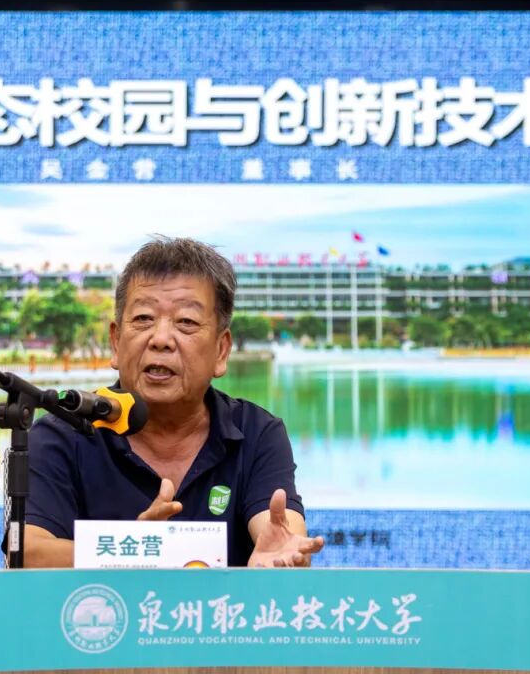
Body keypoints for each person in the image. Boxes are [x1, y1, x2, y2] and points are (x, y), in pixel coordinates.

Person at [23, 237, 323, 567]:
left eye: (186, 322)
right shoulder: (62, 436)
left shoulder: (256, 433)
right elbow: (28, 554)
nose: (161, 339)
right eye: (143, 319)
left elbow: (281, 535)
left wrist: (284, 558)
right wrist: (137, 550)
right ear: (116, 342)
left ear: (221, 351)